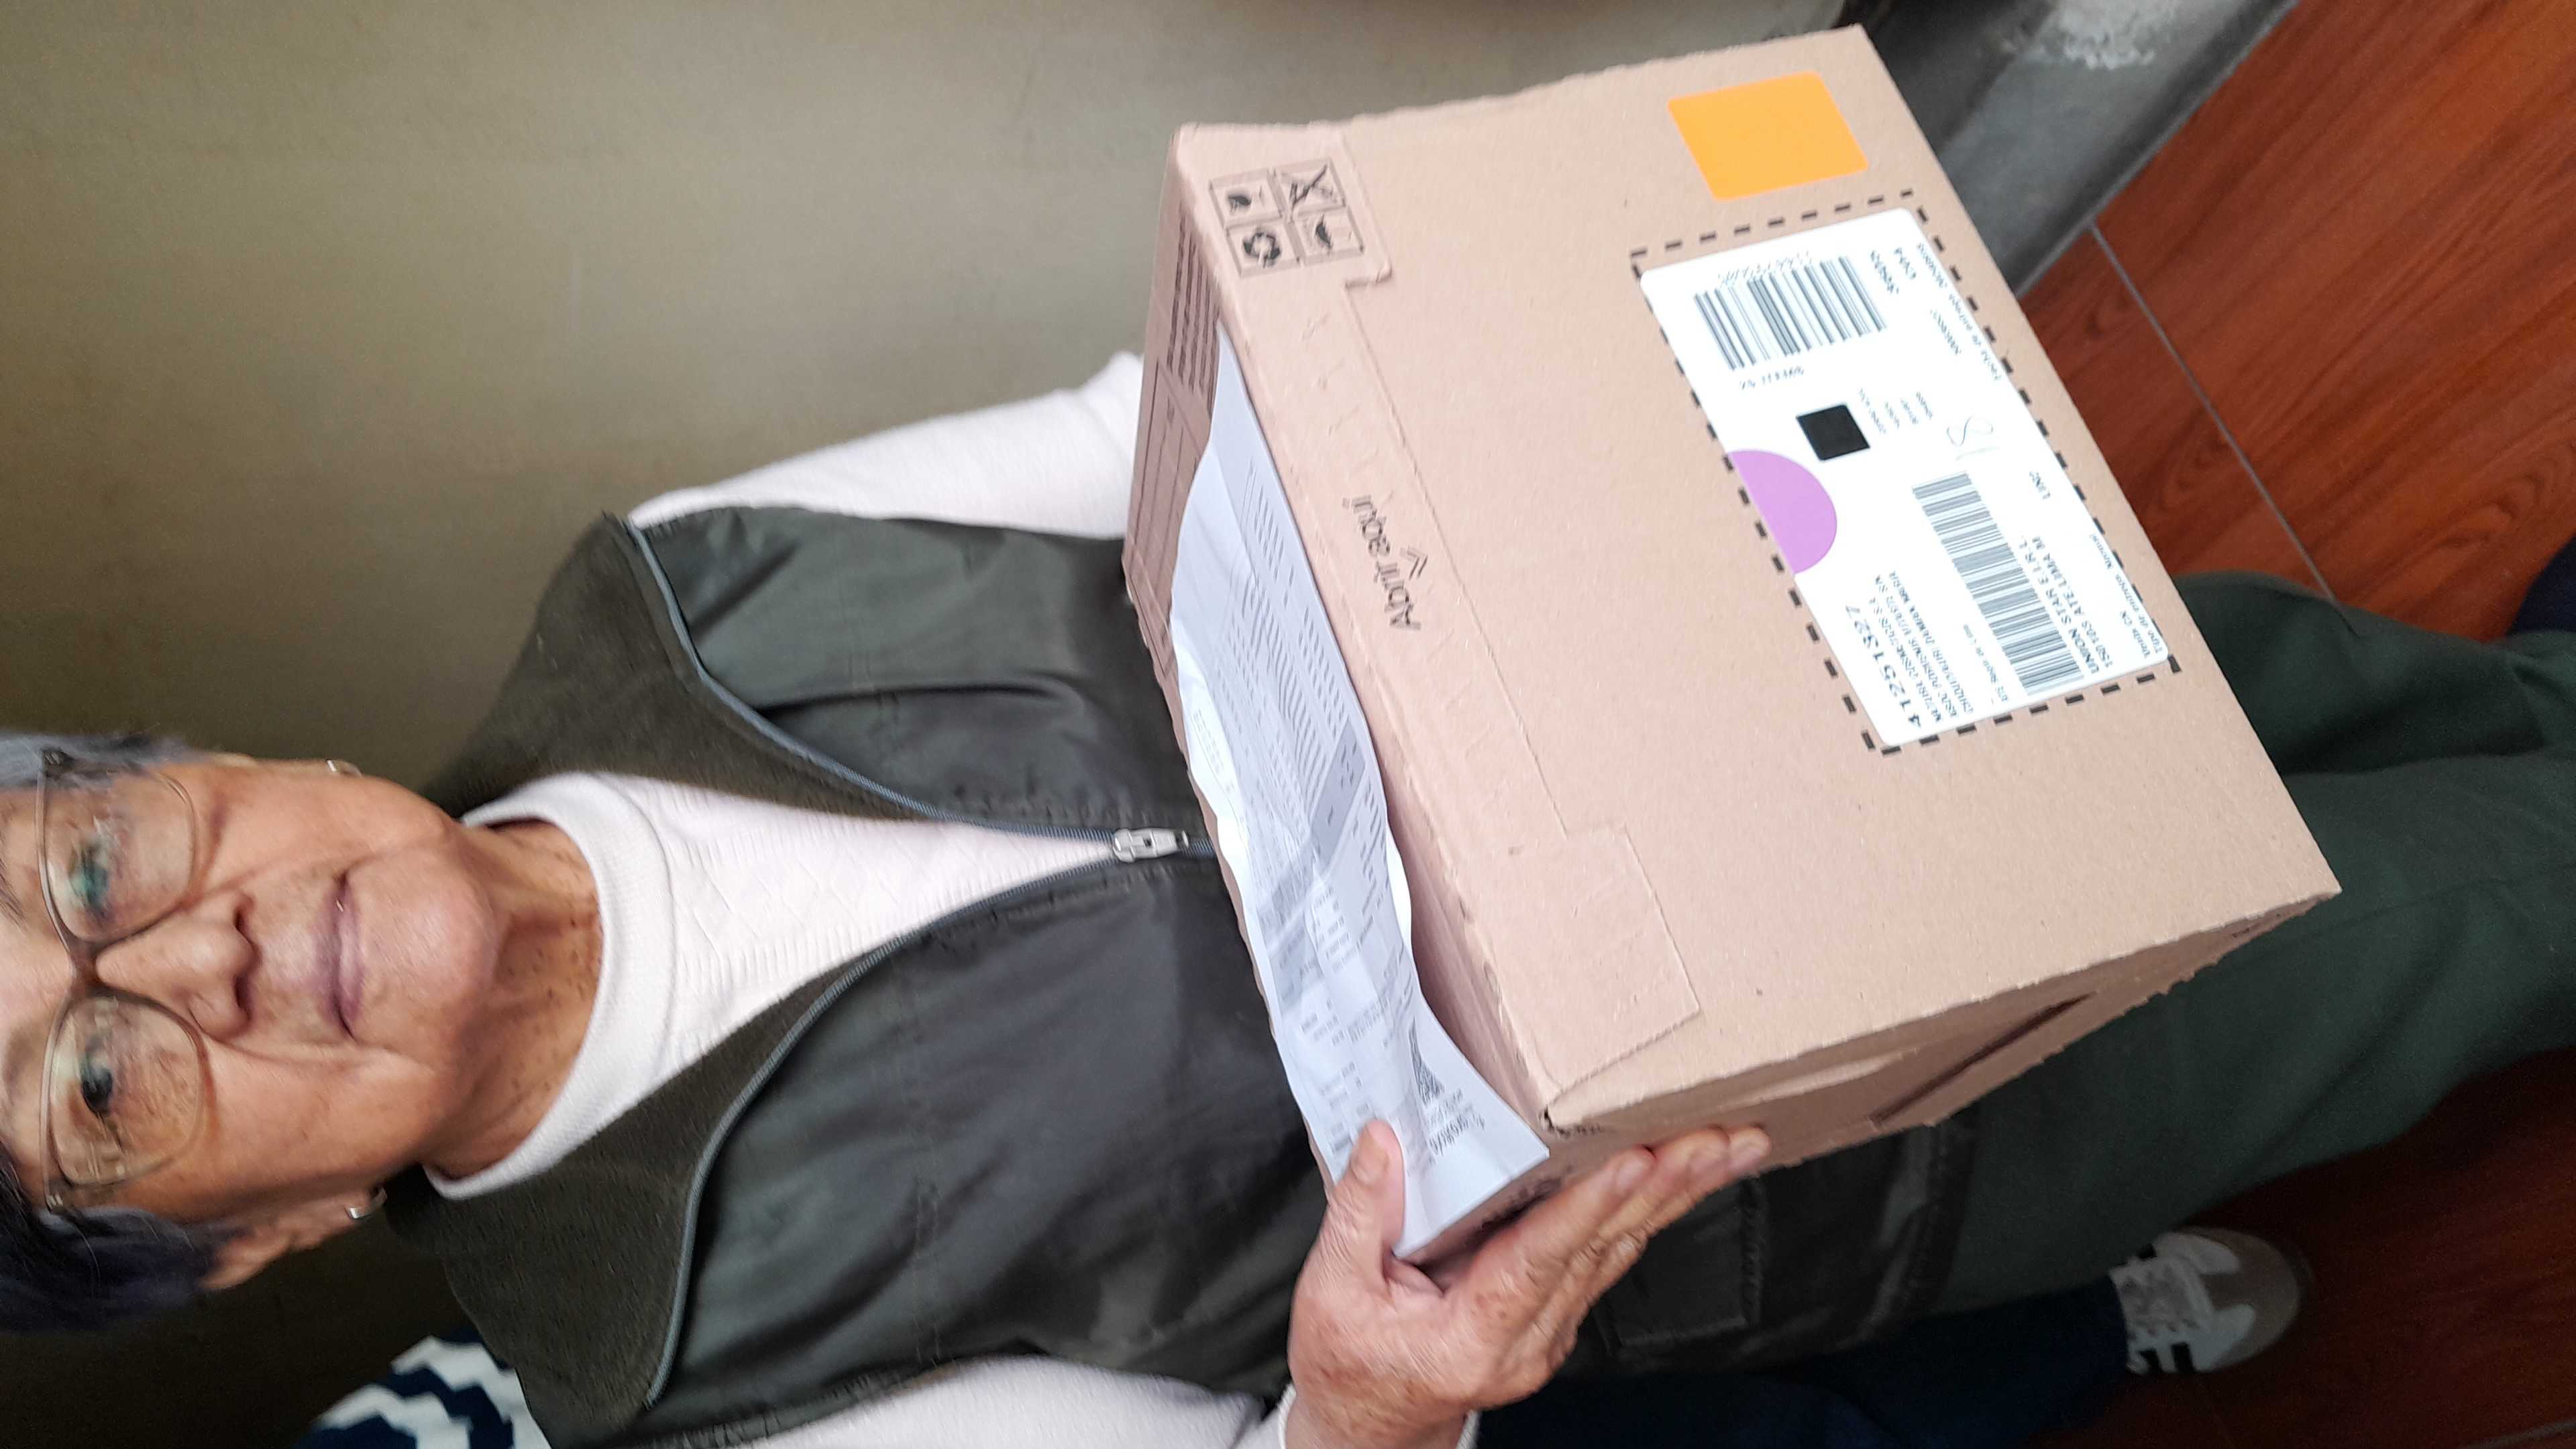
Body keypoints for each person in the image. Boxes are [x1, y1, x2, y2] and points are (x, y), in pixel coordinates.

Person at [4, 356, 2571, 1449]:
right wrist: (1365, 1406)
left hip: (1751, 686)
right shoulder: (682, 1367)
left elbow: (1145, 430)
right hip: (1836, 1125)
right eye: (97, 1080)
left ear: (206, 768)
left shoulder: (659, 592)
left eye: (90, 870)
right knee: (2453, 925)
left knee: (2288, 677)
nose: (182, 956)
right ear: (254, 1242)